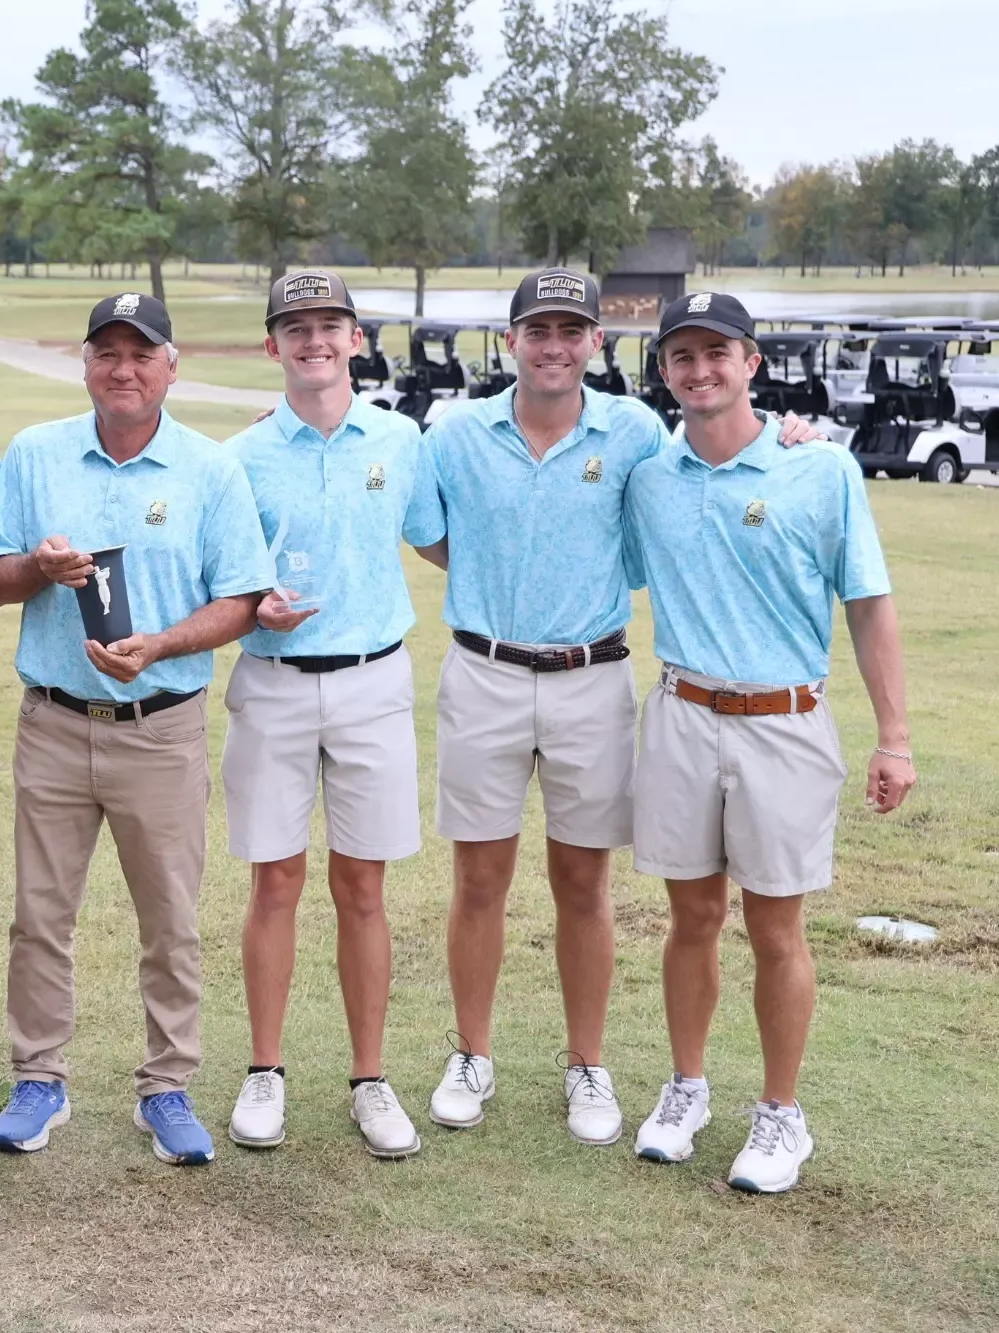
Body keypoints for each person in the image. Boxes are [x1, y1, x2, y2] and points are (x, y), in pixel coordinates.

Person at [418, 271, 820, 1145]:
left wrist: (793, 437)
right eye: (537, 330)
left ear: (597, 342)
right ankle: (473, 1053)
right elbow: (427, 528)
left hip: (593, 676)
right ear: (513, 341)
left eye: (572, 330)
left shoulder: (637, 432)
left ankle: (587, 1063)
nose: (553, 345)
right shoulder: (457, 434)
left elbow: (717, 453)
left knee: (583, 882)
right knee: (479, 878)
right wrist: (496, 580)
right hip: (483, 670)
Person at [0, 293, 273, 1165]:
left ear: (170, 365)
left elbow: (242, 600)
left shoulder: (210, 469)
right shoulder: (36, 454)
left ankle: (167, 1087)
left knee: (171, 920)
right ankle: (38, 1079)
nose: (123, 368)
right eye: (107, 352)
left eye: (141, 353)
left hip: (162, 724)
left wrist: (163, 645)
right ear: (85, 364)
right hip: (57, 722)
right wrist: (37, 566)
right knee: (39, 915)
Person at [624, 291, 912, 1193]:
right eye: (682, 356)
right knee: (692, 917)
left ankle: (782, 1114)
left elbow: (867, 604)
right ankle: (687, 1087)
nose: (700, 369)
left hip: (784, 719)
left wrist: (894, 736)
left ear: (752, 361)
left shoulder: (819, 469)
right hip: (679, 712)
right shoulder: (649, 476)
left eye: (718, 352)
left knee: (775, 924)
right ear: (665, 372)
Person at [220, 271, 444, 1157]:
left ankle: (369, 1077)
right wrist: (252, 607)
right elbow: (225, 579)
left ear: (357, 339)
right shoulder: (239, 456)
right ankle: (265, 1071)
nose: (314, 340)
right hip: (274, 681)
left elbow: (435, 538)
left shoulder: (400, 439)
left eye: (330, 326)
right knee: (274, 881)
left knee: (363, 886)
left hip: (373, 681)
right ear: (272, 346)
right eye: (295, 328)